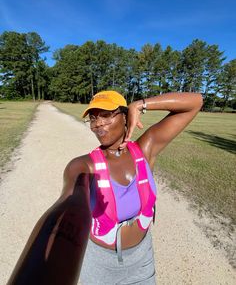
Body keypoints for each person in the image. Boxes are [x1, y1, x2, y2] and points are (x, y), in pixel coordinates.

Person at [8, 90, 203, 285]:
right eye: (93, 118)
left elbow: (195, 102)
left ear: (125, 116)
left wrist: (139, 105)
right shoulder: (83, 166)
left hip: (142, 261)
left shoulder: (145, 149)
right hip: (99, 268)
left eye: (106, 114)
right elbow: (69, 203)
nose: (98, 123)